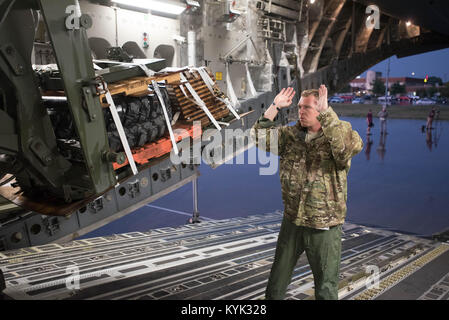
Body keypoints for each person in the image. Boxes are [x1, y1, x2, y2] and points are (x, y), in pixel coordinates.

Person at [251, 85, 363, 300]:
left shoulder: (343, 132)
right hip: (292, 220)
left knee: (325, 286)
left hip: (324, 225)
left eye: (307, 108)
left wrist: (327, 113)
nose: (300, 111)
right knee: (277, 281)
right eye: (299, 107)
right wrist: (274, 107)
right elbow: (259, 137)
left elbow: (343, 151)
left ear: (321, 109)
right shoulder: (291, 136)